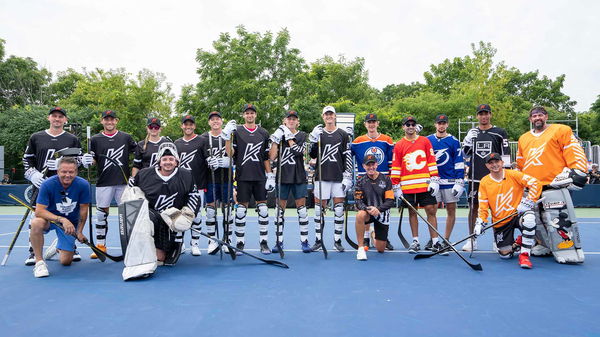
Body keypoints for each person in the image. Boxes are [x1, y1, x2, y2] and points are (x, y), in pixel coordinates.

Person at [516, 106, 587, 263]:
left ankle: (567, 248)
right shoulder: (523, 138)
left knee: (558, 218)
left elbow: (574, 151)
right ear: (530, 119)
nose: (537, 118)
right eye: (534, 116)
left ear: (546, 116)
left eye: (540, 115)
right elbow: (521, 164)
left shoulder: (561, 130)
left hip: (555, 185)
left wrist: (577, 170)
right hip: (533, 187)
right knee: (534, 219)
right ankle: (544, 244)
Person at [22, 106, 83, 266]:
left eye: (60, 117)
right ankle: (33, 252)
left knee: (69, 213)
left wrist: (84, 161)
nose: (57, 119)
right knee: (36, 216)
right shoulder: (37, 137)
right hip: (42, 183)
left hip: (66, 184)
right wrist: (32, 174)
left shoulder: (72, 139)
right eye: (54, 116)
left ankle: (71, 246)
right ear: (48, 118)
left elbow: (78, 162)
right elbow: (27, 159)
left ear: (65, 120)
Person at [131, 142, 199, 265]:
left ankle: (175, 240)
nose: (168, 162)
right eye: (165, 159)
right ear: (159, 161)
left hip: (173, 217)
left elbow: (193, 195)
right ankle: (142, 249)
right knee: (147, 221)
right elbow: (131, 191)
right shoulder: (144, 174)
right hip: (152, 216)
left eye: (171, 159)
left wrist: (187, 213)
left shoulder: (186, 175)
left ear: (176, 161)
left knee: (164, 260)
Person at [221, 104, 274, 255]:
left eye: (252, 113)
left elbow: (265, 157)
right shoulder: (237, 131)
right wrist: (226, 138)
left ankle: (263, 242)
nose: (249, 115)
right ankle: (240, 242)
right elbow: (231, 154)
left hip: (259, 177)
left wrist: (269, 175)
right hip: (243, 176)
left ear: (255, 115)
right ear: (243, 115)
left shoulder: (263, 132)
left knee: (263, 209)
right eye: (247, 113)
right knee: (241, 211)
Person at [475, 153, 541, 269]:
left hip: (518, 213)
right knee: (505, 255)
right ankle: (519, 242)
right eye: (491, 163)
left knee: (529, 219)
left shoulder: (514, 174)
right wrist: (481, 221)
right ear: (487, 165)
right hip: (501, 220)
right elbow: (483, 205)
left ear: (502, 162)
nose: (494, 165)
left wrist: (528, 201)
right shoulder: (484, 182)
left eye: (497, 162)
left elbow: (536, 183)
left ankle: (524, 255)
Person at [29, 157, 91, 277]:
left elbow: (84, 210)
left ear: (76, 172)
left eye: (71, 172)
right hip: (50, 220)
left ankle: (58, 247)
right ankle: (39, 262)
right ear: (58, 171)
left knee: (66, 262)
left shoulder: (83, 185)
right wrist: (61, 219)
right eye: (63, 172)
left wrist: (79, 232)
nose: (67, 175)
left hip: (70, 224)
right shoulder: (47, 184)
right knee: (36, 222)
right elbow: (39, 211)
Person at [390, 116, 443, 254]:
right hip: (408, 186)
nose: (410, 126)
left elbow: (431, 160)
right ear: (403, 127)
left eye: (413, 124)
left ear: (415, 126)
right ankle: (415, 241)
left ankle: (435, 242)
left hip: (425, 184)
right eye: (408, 124)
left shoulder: (425, 141)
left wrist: (435, 179)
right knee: (412, 212)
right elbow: (396, 166)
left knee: (431, 211)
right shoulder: (399, 145)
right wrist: (396, 186)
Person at [89, 110, 137, 259]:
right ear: (101, 121)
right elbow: (94, 159)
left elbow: (139, 154)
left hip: (123, 182)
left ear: (116, 121)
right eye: (106, 119)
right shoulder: (95, 139)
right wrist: (89, 161)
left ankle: (131, 245)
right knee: (101, 214)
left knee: (127, 214)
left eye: (112, 119)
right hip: (104, 181)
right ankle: (100, 245)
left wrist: (134, 175)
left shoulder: (126, 137)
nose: (109, 122)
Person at [462, 104, 510, 252]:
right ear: (477, 116)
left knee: (497, 209)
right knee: (473, 208)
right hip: (475, 178)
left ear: (490, 114)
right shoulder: (473, 133)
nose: (484, 116)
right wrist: (468, 141)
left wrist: (506, 175)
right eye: (481, 114)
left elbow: (506, 155)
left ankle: (498, 240)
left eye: (486, 113)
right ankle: (472, 239)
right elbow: (465, 154)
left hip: (495, 178)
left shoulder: (499, 132)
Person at [309, 105, 353, 252]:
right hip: (321, 176)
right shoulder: (319, 134)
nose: (329, 117)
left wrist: (348, 175)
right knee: (318, 210)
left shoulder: (342, 134)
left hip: (338, 176)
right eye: (326, 114)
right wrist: (314, 139)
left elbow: (347, 155)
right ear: (323, 117)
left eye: (331, 114)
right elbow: (312, 154)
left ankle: (337, 241)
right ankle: (318, 240)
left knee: (339, 209)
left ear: (335, 117)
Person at [350, 113, 395, 250]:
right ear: (365, 124)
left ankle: (379, 235)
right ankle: (365, 236)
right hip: (364, 179)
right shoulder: (358, 141)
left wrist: (394, 180)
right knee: (365, 209)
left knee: (382, 207)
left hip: (382, 179)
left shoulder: (387, 139)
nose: (371, 124)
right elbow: (346, 156)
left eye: (374, 122)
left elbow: (391, 161)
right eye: (369, 122)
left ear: (378, 123)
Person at [269, 110, 310, 253]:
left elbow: (299, 152)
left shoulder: (303, 135)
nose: (291, 121)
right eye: (289, 119)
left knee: (302, 210)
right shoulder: (279, 137)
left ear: (297, 121)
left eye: (294, 119)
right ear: (284, 121)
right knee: (279, 211)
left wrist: (289, 137)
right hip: (283, 176)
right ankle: (278, 242)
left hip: (298, 176)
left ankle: (304, 241)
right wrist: (275, 140)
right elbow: (272, 157)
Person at [425, 114, 465, 251]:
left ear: (447, 124)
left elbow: (458, 161)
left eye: (444, 123)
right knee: (431, 210)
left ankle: (446, 240)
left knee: (451, 209)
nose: (441, 125)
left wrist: (460, 181)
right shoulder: (428, 140)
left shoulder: (453, 141)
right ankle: (433, 239)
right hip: (433, 181)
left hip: (449, 181)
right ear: (435, 124)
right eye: (439, 123)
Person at [174, 114, 207, 256]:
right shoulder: (176, 143)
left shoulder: (202, 141)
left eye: (191, 124)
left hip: (198, 185)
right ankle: (180, 244)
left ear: (194, 126)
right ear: (182, 126)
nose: (188, 126)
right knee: (179, 215)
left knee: (197, 215)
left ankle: (195, 244)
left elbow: (207, 160)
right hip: (180, 185)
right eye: (185, 124)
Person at [202, 111, 234, 254]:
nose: (215, 121)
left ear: (222, 121)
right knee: (210, 209)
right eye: (212, 119)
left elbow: (234, 154)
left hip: (226, 177)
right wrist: (207, 162)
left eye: (218, 119)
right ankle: (212, 240)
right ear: (209, 122)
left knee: (227, 210)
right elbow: (200, 157)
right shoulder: (204, 138)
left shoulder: (230, 135)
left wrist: (228, 162)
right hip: (210, 178)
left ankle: (227, 239)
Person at [354, 154, 395, 260]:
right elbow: (358, 201)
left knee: (380, 249)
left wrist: (379, 209)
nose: (371, 167)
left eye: (373, 164)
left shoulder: (386, 179)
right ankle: (361, 249)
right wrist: (367, 209)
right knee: (359, 215)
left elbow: (390, 201)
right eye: (368, 165)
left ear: (377, 164)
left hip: (382, 213)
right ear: (363, 166)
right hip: (368, 212)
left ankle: (372, 234)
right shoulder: (360, 181)